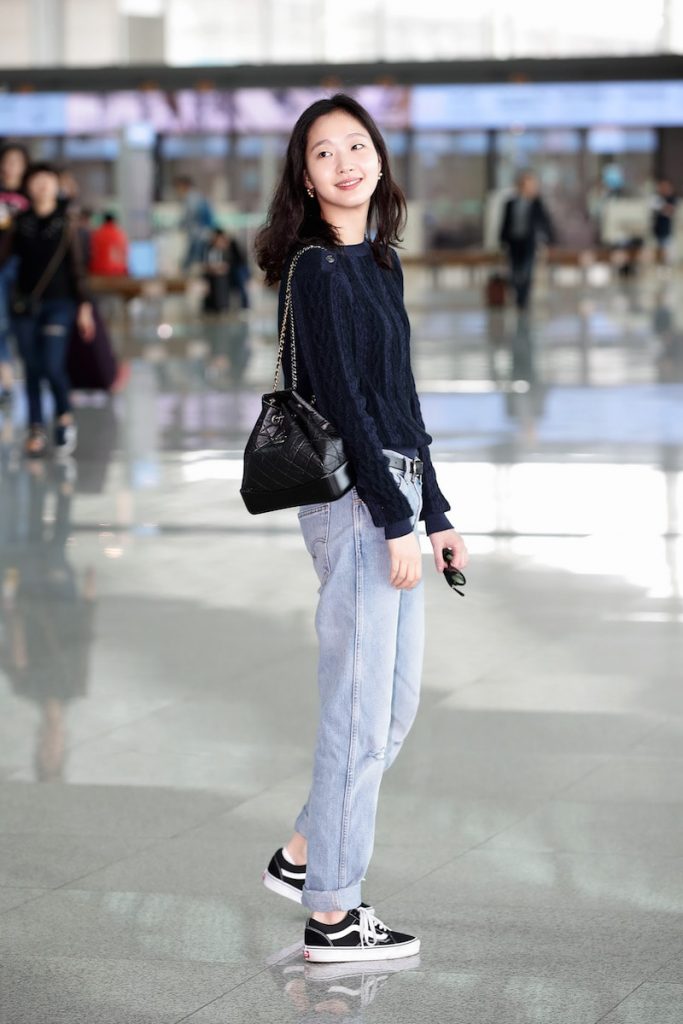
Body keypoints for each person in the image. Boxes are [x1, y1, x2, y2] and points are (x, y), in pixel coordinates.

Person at [255, 93, 468, 964]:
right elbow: (343, 401)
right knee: (356, 709)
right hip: (355, 503)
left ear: (378, 158)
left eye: (356, 145)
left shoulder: (379, 262)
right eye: (322, 153)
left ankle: (303, 853)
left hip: (396, 493)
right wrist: (391, 518)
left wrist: (435, 512)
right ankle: (332, 916)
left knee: (393, 708)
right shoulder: (314, 269)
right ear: (304, 180)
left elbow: (399, 398)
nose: (344, 163)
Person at [0, 162, 95, 458]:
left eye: (48, 180)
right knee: (32, 367)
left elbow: (78, 269)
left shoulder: (68, 223)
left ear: (57, 186)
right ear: (28, 187)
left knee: (52, 365)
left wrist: (84, 306)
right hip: (24, 305)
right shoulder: (19, 222)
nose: (42, 185)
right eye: (36, 180)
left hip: (60, 304)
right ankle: (36, 428)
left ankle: (64, 416)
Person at [0, 143, 30, 405]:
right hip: (1, 268)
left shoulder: (32, 194)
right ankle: (7, 382)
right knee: (1, 324)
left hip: (27, 269)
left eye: (16, 162)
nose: (10, 167)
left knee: (24, 325)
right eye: (7, 161)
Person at [499, 170, 555, 310]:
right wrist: (502, 239)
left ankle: (523, 299)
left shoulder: (536, 203)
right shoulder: (510, 203)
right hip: (513, 242)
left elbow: (544, 222)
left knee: (527, 271)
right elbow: (505, 223)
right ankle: (518, 295)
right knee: (514, 272)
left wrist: (548, 239)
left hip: (529, 242)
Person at [173, 175, 216, 269]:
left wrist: (181, 225)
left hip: (198, 235)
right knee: (197, 260)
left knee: (193, 262)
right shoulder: (198, 196)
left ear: (183, 185)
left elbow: (191, 217)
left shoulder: (192, 198)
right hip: (201, 234)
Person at [89, 212, 128, 276]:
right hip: (118, 270)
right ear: (114, 221)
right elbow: (125, 254)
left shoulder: (97, 234)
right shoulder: (121, 235)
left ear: (104, 221)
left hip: (99, 270)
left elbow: (92, 253)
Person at [652, 179, 677, 265]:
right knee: (658, 248)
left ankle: (666, 264)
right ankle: (659, 264)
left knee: (666, 248)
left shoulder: (672, 199)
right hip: (657, 228)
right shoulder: (657, 198)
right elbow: (655, 209)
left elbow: (669, 211)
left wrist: (663, 208)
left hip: (667, 229)